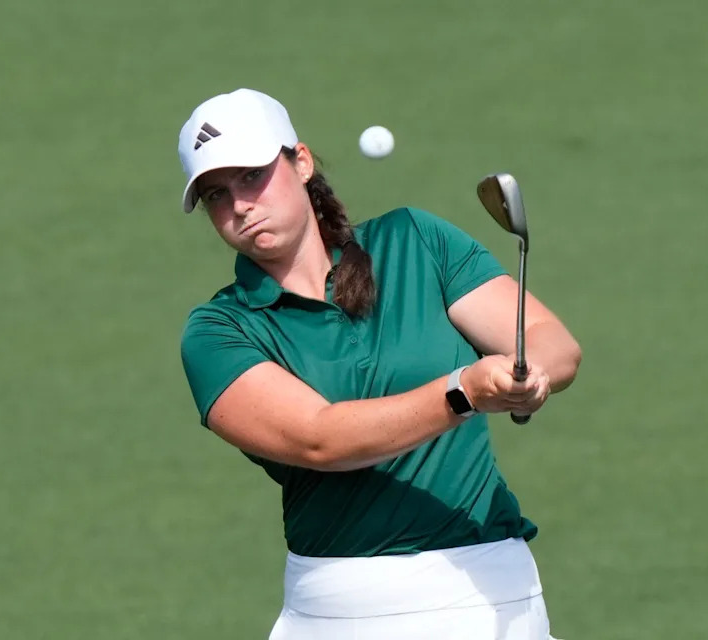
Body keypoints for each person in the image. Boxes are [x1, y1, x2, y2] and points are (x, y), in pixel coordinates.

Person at [176, 88, 582, 640]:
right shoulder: (219, 331)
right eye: (216, 195)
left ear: (301, 162)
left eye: (252, 175)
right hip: (341, 611)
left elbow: (548, 340)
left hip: (491, 597)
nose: (240, 205)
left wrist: (530, 374)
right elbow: (321, 440)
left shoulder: (415, 239)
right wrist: (463, 391)